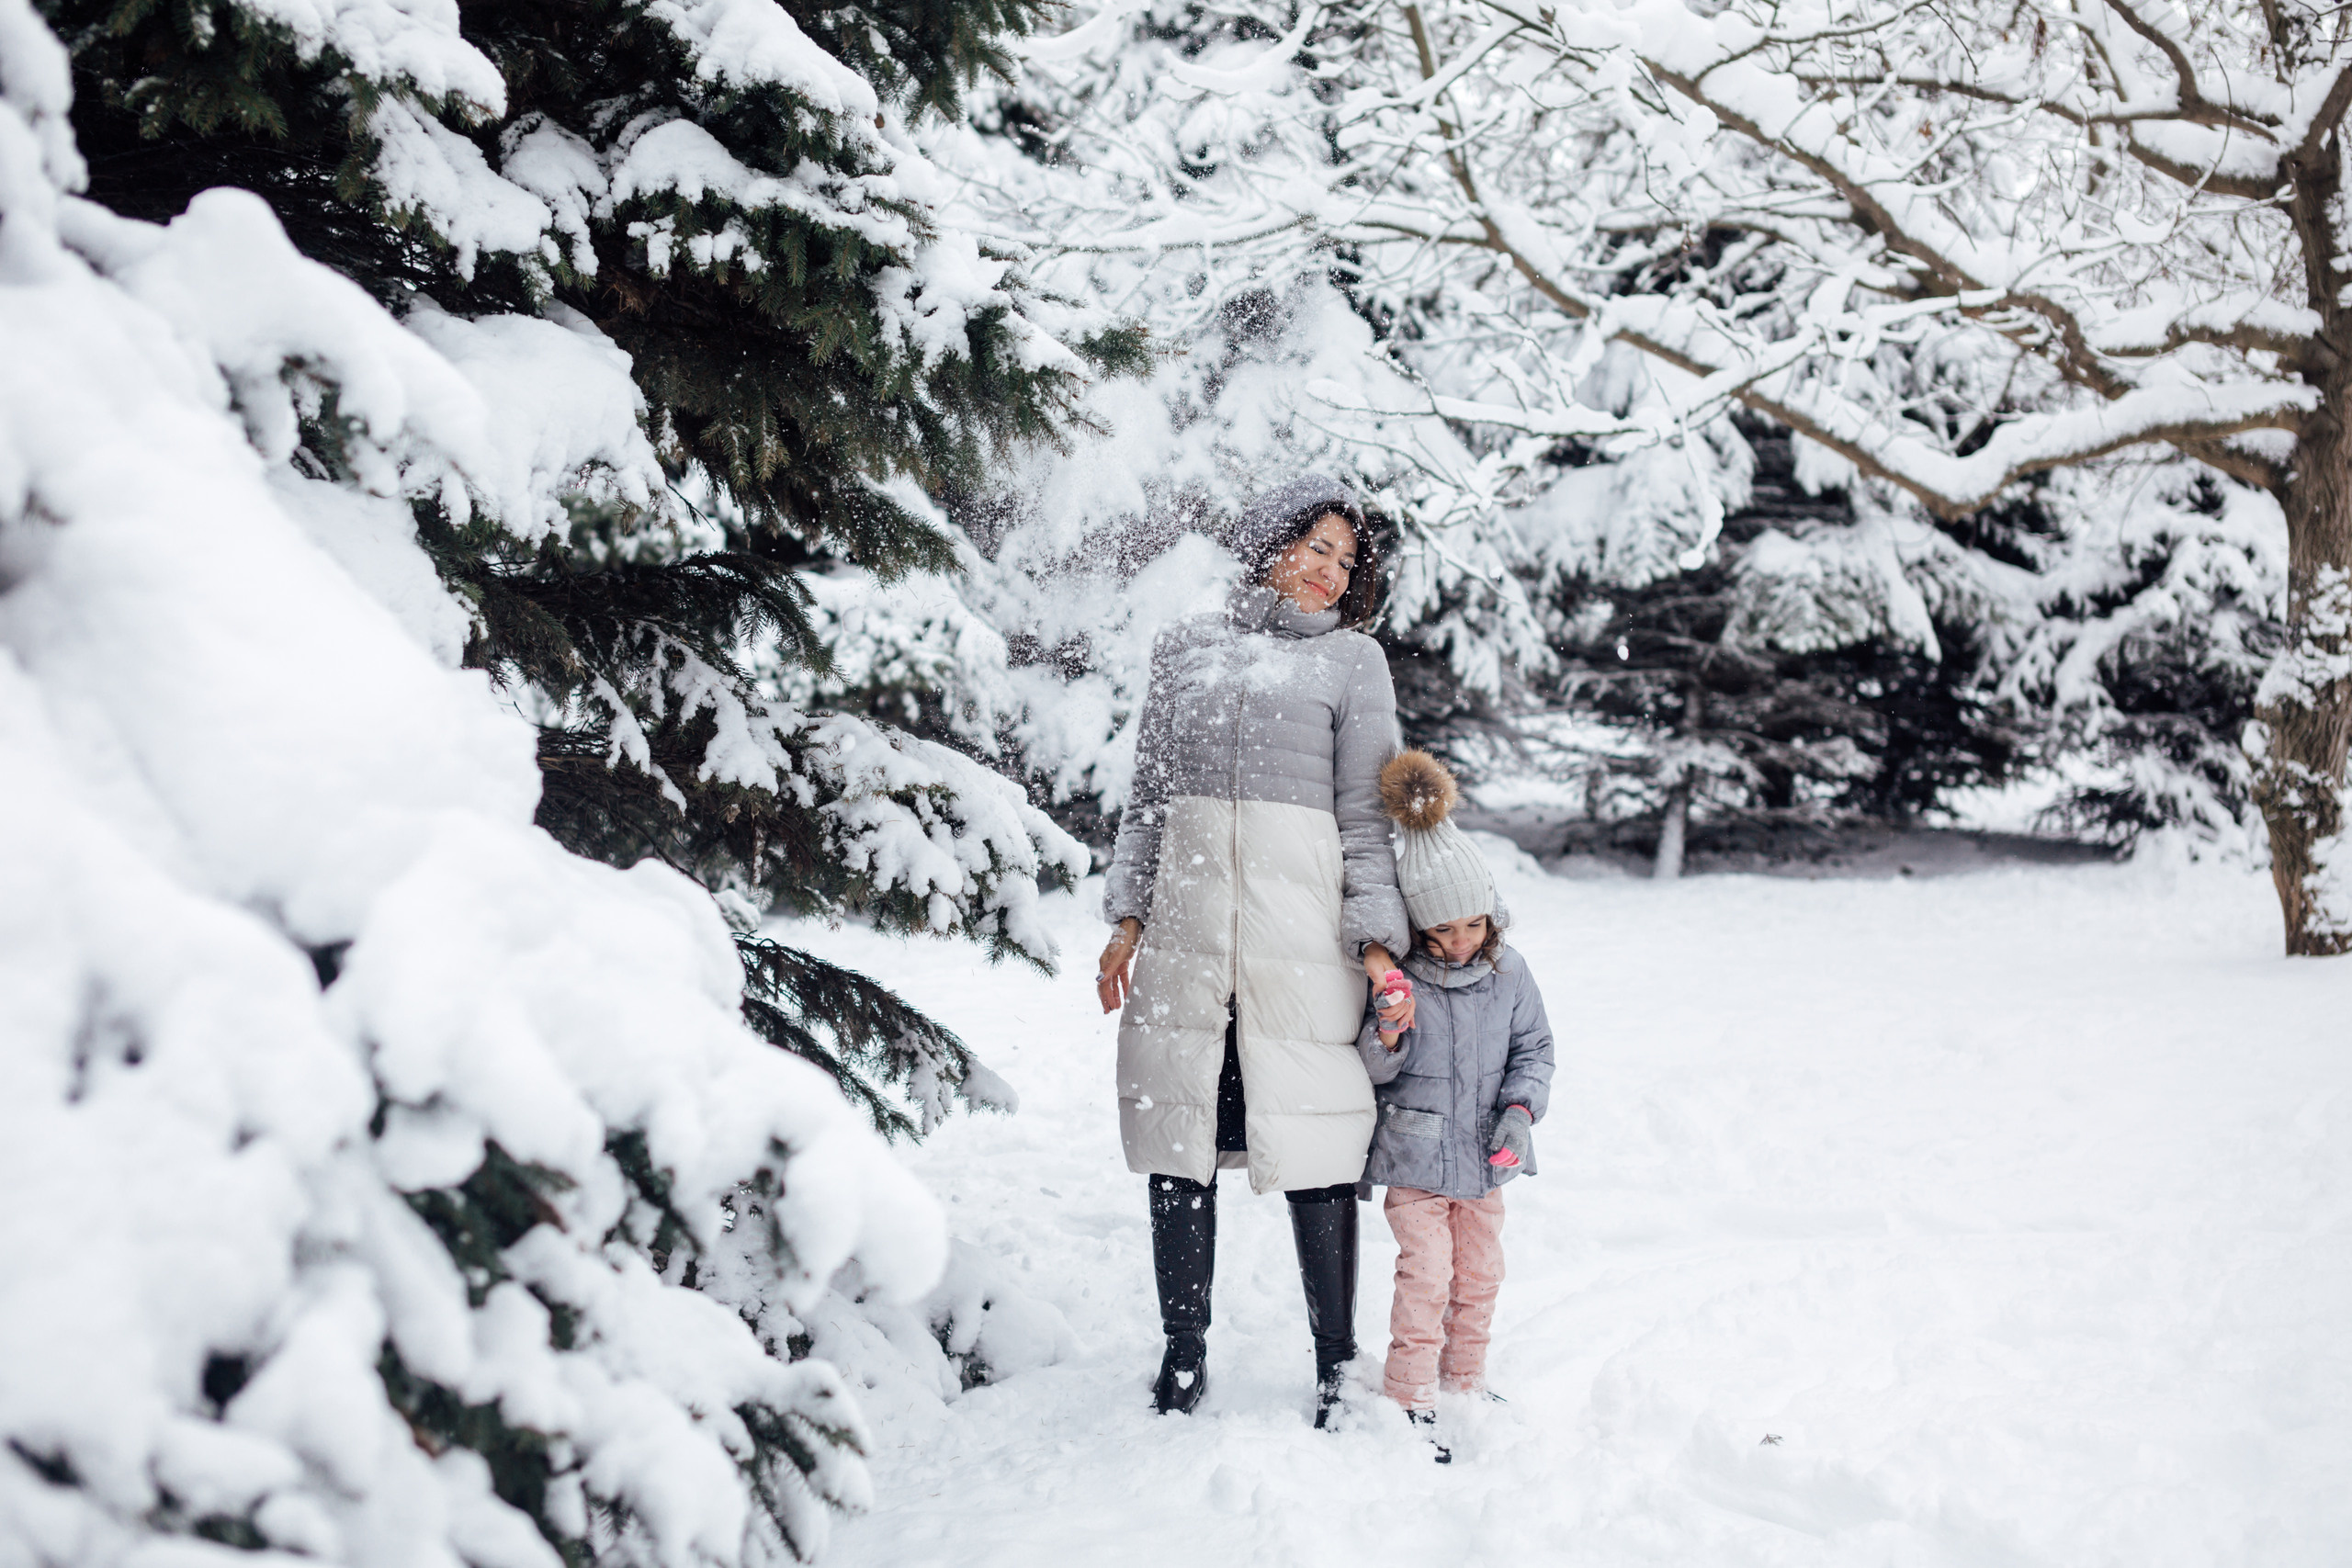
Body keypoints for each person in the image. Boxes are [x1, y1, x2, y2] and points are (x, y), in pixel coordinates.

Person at [1094, 474, 1416, 1424]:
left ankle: (1336, 1363)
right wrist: (1127, 920)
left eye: (1346, 560)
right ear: (1272, 542)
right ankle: (1182, 1354)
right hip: (1189, 946)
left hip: (1300, 951)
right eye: (1316, 547)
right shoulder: (1187, 649)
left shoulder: (1353, 662)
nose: (1330, 572)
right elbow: (1149, 801)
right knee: (1179, 1140)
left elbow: (1367, 820)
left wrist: (1376, 944)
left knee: (1318, 1146)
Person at [1358, 749, 1555, 1462]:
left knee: (1479, 1276)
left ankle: (1463, 1381)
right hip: (1415, 1158)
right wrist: (1388, 1029)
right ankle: (1409, 1393)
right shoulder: (1401, 979)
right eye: (1442, 930)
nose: (1460, 941)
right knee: (1427, 1275)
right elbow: (1371, 1067)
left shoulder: (1510, 972)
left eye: (1472, 924)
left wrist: (1520, 1114)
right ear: (1419, 928)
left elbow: (1534, 1050)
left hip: (1484, 1157)